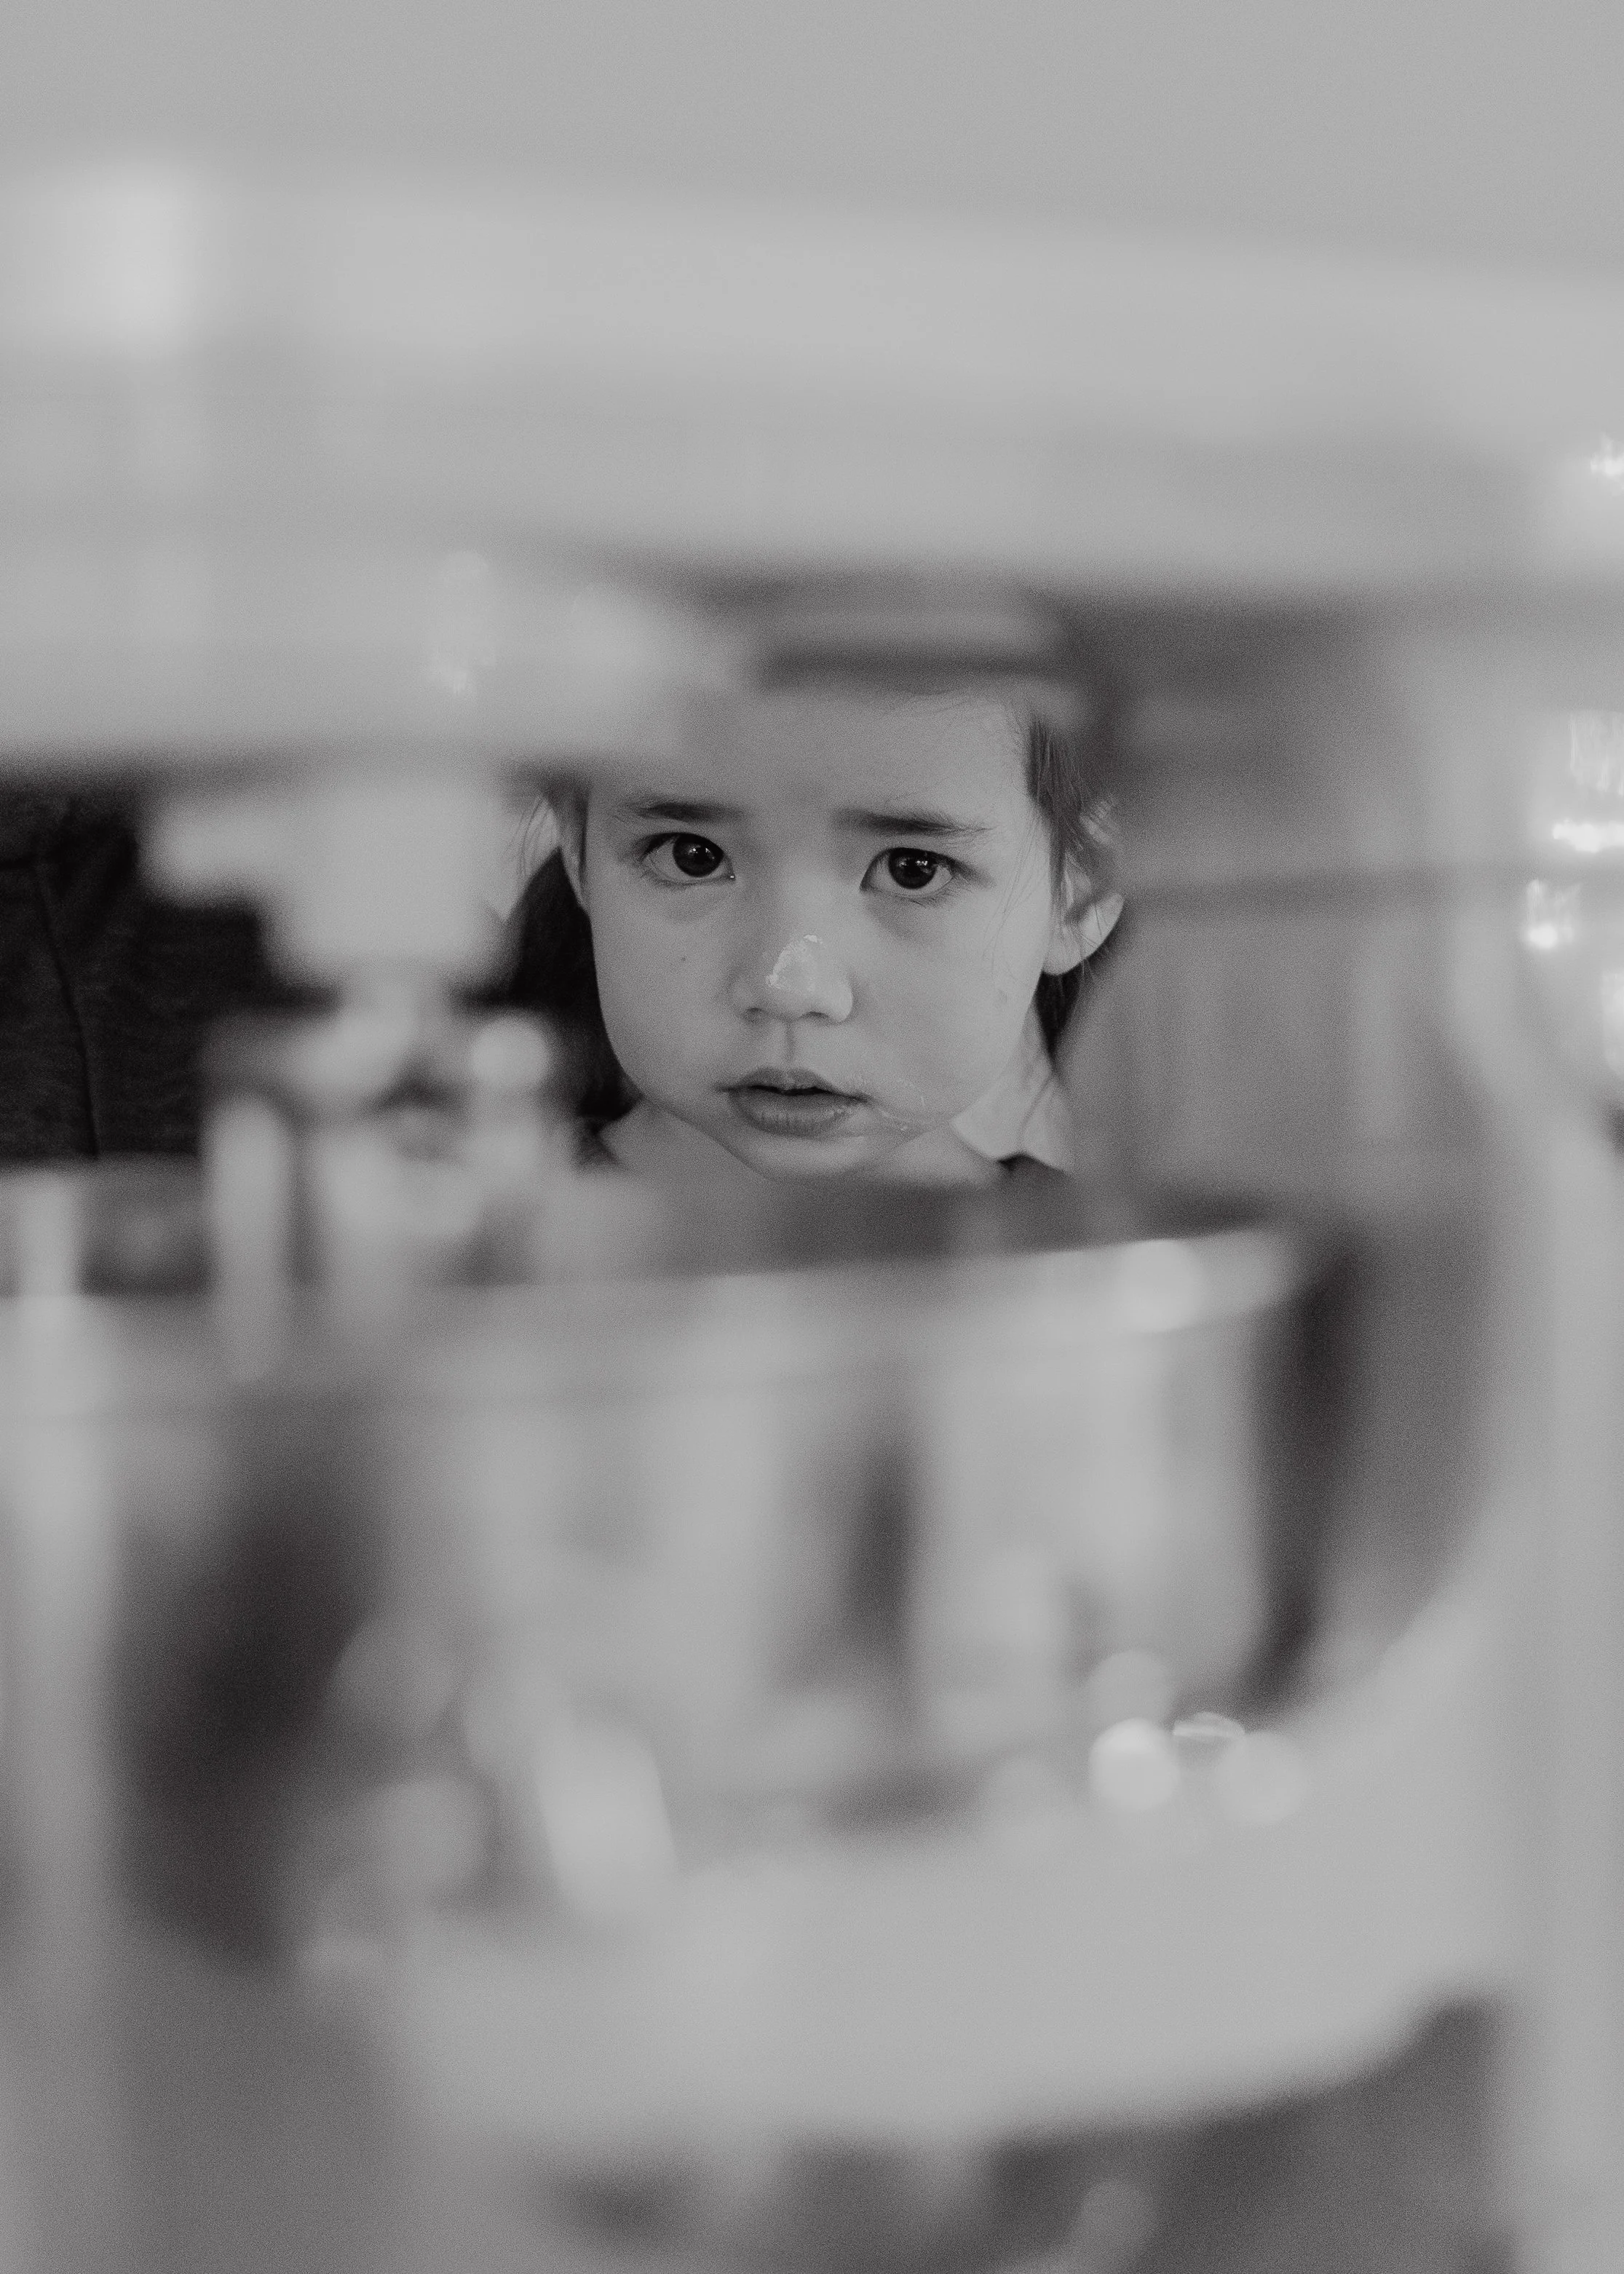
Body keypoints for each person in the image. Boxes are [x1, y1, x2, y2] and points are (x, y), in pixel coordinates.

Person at [498, 681, 1122, 1189]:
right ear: (579, 852)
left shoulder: (1113, 1288)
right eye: (692, 857)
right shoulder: (456, 1253)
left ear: (1076, 898)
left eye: (913, 870)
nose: (789, 989)